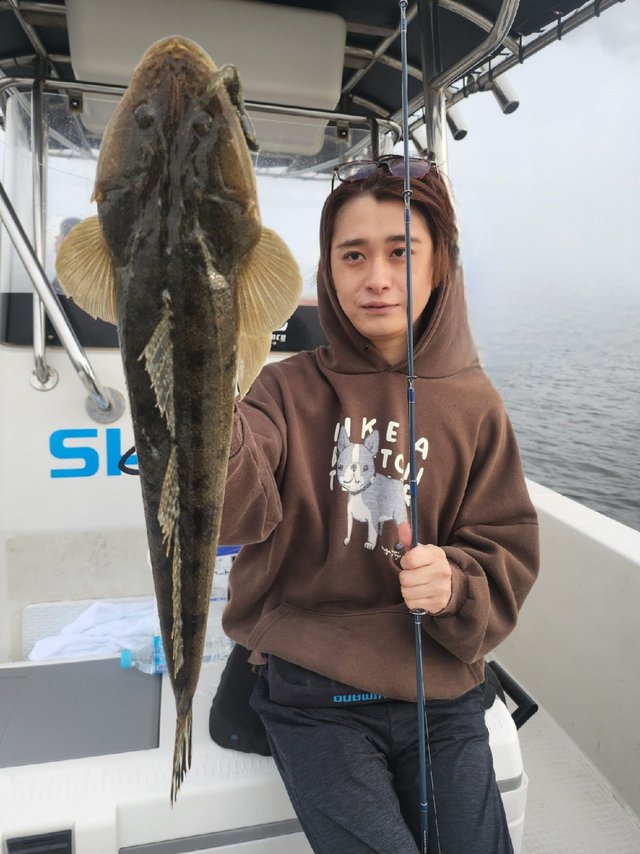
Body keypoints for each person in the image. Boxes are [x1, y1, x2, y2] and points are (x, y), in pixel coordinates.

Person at [218, 155, 539, 854]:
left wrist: (455, 583)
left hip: (440, 686)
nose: (377, 278)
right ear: (328, 271)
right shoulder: (281, 389)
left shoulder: (476, 402)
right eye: (353, 255)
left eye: (401, 252)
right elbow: (232, 511)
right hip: (311, 685)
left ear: (439, 264)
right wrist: (210, 402)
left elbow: (505, 544)